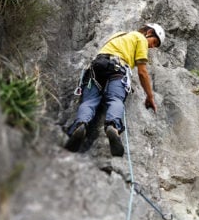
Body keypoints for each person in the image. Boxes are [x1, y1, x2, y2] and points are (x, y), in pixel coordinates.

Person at [64, 23, 165, 157]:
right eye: (154, 42)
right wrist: (150, 96)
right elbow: (142, 72)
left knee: (89, 101)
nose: (152, 46)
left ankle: (80, 125)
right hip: (117, 69)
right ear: (149, 32)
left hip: (96, 67)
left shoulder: (119, 35)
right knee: (115, 99)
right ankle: (113, 127)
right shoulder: (140, 38)